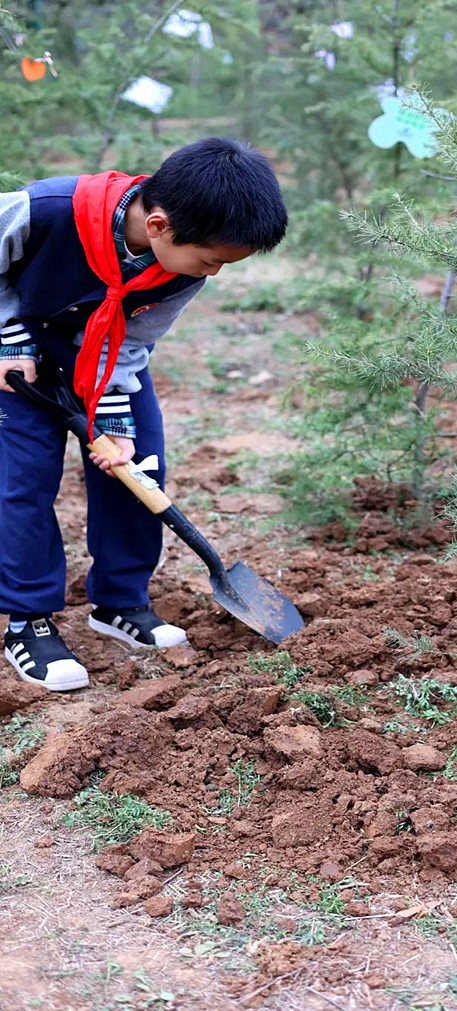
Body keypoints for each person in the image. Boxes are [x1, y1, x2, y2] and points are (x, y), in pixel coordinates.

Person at [0, 137, 287, 691]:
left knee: (138, 465)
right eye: (210, 260)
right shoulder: (44, 211)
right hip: (20, 356)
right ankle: (27, 620)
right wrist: (9, 336)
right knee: (23, 481)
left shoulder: (186, 267)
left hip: (106, 353)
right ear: (157, 225)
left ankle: (120, 601)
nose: (213, 273)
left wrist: (110, 418)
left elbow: (133, 339)